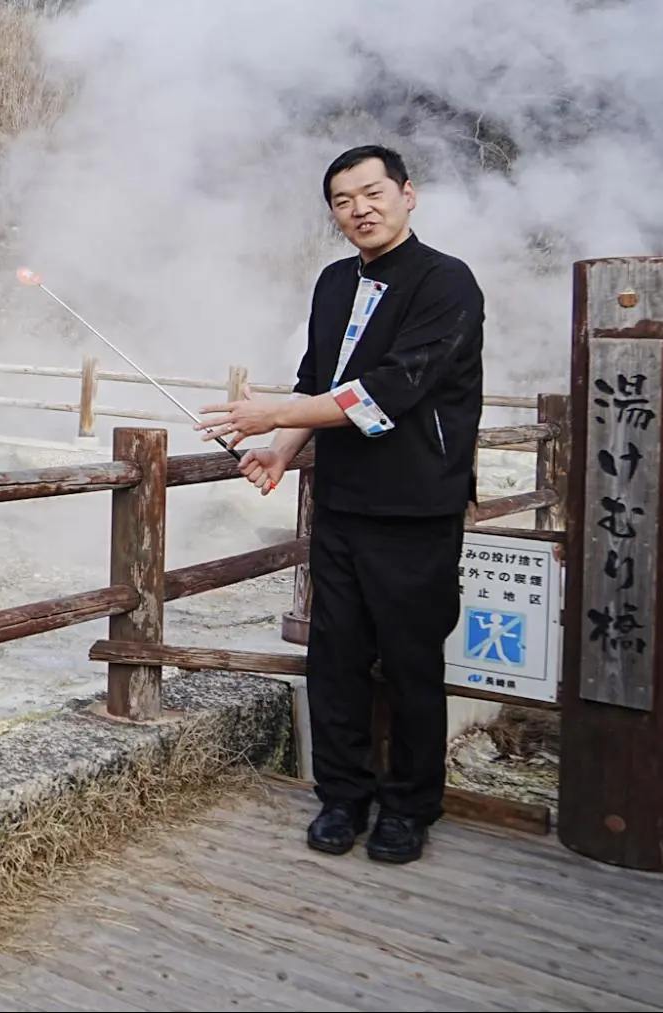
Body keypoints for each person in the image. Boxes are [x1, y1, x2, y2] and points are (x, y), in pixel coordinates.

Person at [196, 144, 484, 865]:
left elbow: (393, 386)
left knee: (411, 660)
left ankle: (410, 804)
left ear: (407, 193)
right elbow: (314, 380)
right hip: (343, 502)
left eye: (371, 191)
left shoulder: (446, 283)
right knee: (336, 654)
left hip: (417, 505)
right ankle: (342, 795)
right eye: (341, 199)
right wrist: (279, 450)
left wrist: (271, 417)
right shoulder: (331, 283)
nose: (358, 208)